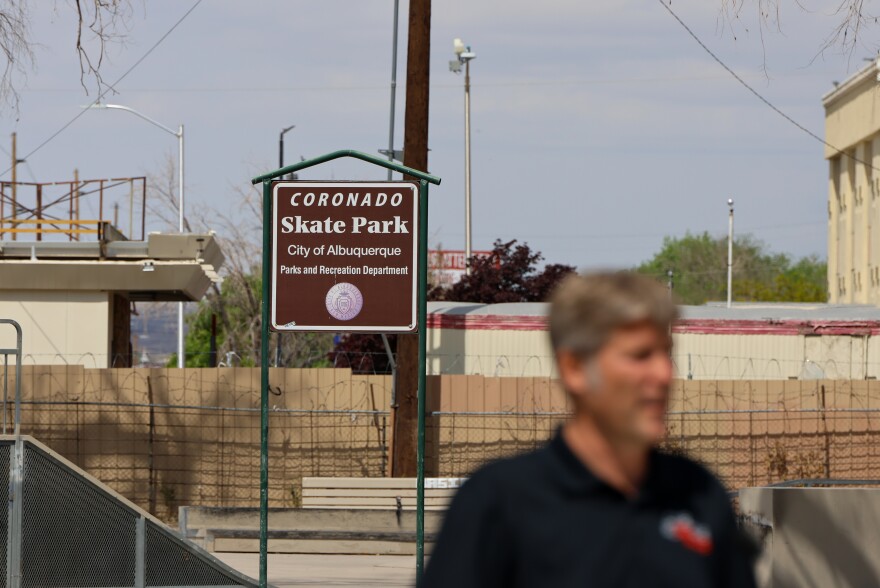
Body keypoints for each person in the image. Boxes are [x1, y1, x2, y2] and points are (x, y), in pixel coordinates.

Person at [420, 271, 757, 588]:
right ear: (575, 369)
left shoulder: (699, 495)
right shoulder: (499, 502)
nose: (664, 374)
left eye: (666, 354)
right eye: (640, 356)